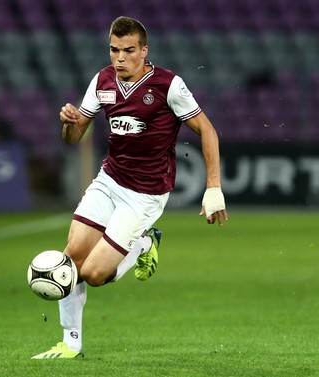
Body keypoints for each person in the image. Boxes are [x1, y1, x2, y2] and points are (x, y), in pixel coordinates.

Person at [32, 16, 228, 359]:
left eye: (128, 50)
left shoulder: (168, 85)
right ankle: (70, 344)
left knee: (93, 275)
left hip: (146, 194)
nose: (119, 58)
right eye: (114, 50)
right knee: (71, 259)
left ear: (144, 50)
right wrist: (69, 124)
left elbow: (207, 130)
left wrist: (213, 188)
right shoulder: (102, 80)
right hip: (109, 181)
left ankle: (142, 243)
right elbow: (75, 138)